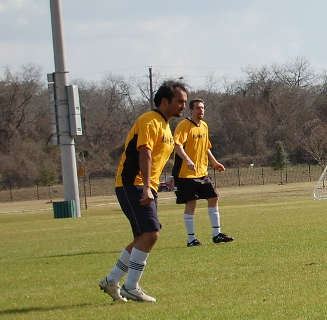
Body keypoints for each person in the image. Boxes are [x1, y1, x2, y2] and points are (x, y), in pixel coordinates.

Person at [98, 80, 188, 303]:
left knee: (142, 237)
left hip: (147, 186)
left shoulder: (166, 126)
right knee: (150, 234)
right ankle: (131, 286)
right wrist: (147, 186)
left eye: (185, 102)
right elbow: (145, 152)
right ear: (164, 101)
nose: (182, 106)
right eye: (179, 101)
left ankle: (111, 281)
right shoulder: (150, 120)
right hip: (133, 183)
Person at [172, 98, 233, 246]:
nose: (201, 110)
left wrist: (214, 162)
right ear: (191, 110)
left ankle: (216, 234)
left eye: (202, 108)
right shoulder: (184, 125)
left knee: (213, 198)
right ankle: (191, 239)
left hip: (202, 172)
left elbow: (206, 147)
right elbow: (177, 145)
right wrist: (187, 160)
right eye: (198, 108)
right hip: (185, 173)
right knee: (191, 203)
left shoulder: (204, 126)